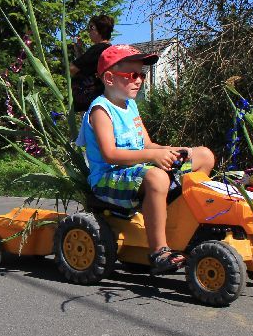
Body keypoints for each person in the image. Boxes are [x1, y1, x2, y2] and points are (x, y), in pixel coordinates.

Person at [76, 44, 215, 274]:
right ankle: (159, 251)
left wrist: (176, 150)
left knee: (204, 156)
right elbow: (111, 154)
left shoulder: (130, 106)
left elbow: (147, 145)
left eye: (142, 74)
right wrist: (153, 156)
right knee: (157, 178)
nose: (139, 80)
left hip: (136, 170)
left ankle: (186, 224)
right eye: (133, 75)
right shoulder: (100, 111)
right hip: (108, 178)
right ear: (109, 78)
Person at [69, 15, 114, 112]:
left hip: (88, 99)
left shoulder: (97, 49)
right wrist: (79, 51)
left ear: (97, 29)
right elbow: (85, 66)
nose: (88, 31)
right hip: (100, 97)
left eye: (91, 27)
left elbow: (72, 69)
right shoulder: (109, 49)